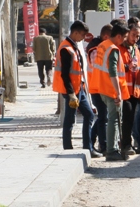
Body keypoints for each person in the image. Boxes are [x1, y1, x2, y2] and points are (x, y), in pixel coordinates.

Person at [52, 20, 100, 158]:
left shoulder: (73, 46)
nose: (83, 38)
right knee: (70, 119)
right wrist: (71, 93)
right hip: (72, 90)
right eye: (82, 35)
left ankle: (87, 147)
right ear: (75, 32)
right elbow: (65, 74)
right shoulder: (66, 48)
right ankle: (70, 148)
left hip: (79, 89)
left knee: (88, 115)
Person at [89, 21, 130, 161]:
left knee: (112, 119)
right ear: (118, 36)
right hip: (111, 89)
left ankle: (112, 148)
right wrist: (118, 93)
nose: (125, 40)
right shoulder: (113, 49)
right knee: (114, 119)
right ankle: (112, 150)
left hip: (102, 88)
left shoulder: (102, 45)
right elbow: (113, 71)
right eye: (124, 37)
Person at [87, 24, 112, 154]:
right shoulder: (96, 49)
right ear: (106, 36)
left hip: (100, 87)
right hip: (97, 88)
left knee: (103, 116)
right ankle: (103, 145)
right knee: (103, 117)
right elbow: (100, 69)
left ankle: (92, 140)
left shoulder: (99, 47)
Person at [119, 22, 140, 156]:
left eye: (138, 36)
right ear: (127, 34)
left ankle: (128, 143)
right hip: (123, 90)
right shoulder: (120, 48)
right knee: (126, 119)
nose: (135, 38)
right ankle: (125, 144)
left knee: (131, 119)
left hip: (134, 91)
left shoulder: (136, 49)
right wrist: (127, 67)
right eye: (133, 35)